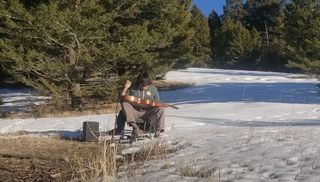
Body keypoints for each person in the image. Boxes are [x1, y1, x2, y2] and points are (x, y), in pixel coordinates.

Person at [120, 70, 165, 138]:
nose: (144, 87)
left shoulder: (153, 89)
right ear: (139, 82)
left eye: (146, 86)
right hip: (135, 111)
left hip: (148, 112)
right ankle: (135, 127)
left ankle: (158, 131)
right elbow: (122, 98)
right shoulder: (132, 86)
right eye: (142, 85)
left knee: (160, 109)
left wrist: (154, 104)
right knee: (125, 103)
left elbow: (158, 103)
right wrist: (126, 87)